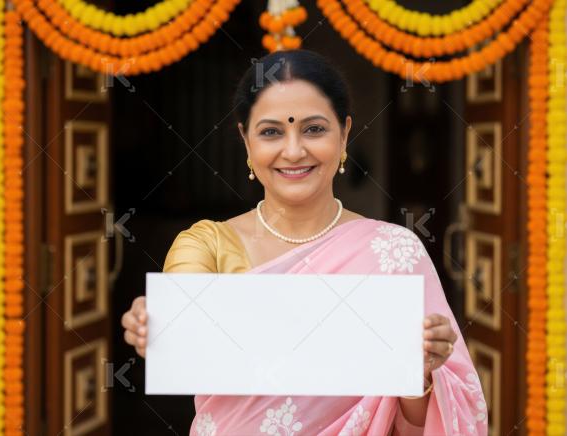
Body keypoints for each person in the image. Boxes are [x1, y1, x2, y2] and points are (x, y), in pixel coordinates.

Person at [121, 49, 488, 435]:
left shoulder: (394, 253)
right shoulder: (206, 246)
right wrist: (156, 328)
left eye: (314, 129)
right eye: (271, 132)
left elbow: (427, 425)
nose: (294, 151)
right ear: (245, 140)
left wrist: (421, 373)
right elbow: (185, 343)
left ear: (345, 133)